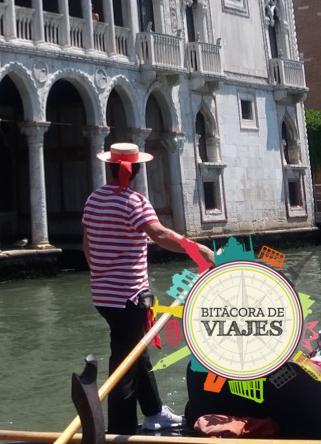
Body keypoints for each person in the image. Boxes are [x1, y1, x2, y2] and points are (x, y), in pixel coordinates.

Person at [82, 142, 215, 435]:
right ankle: (120, 429)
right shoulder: (134, 202)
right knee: (124, 365)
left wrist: (101, 274)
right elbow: (159, 235)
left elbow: (88, 244)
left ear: (109, 167)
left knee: (136, 350)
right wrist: (198, 252)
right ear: (137, 170)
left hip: (103, 296)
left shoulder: (94, 199)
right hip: (128, 297)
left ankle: (154, 412)